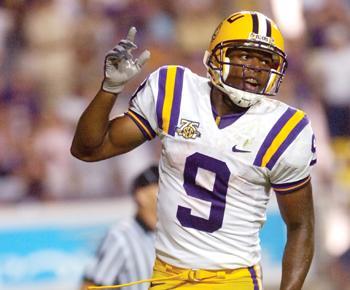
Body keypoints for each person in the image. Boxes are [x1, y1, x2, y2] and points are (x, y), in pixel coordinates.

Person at [72, 10, 316, 290]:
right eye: (246, 56)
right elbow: (87, 150)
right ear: (218, 54)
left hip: (231, 280)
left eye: (265, 61)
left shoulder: (286, 129)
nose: (257, 69)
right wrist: (110, 88)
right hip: (167, 276)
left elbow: (301, 226)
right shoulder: (175, 91)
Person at [80, 165, 159, 290]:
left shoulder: (169, 234)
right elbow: (91, 285)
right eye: (160, 186)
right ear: (141, 195)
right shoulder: (121, 236)